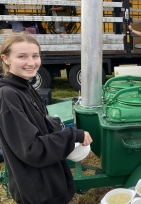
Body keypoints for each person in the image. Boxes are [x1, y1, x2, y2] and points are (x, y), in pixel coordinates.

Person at [0, 32, 93, 203]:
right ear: (6, 59)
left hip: (48, 178)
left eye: (35, 56)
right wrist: (72, 135)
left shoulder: (25, 86)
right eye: (22, 56)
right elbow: (32, 149)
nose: (31, 62)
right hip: (38, 190)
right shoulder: (8, 96)